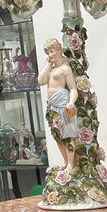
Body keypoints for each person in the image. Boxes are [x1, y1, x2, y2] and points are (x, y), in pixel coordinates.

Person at [38, 39, 78, 169]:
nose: (49, 55)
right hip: (52, 106)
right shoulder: (50, 70)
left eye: (51, 51)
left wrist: (71, 102)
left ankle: (71, 164)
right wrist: (49, 65)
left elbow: (73, 88)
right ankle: (66, 161)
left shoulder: (65, 69)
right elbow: (41, 81)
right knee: (57, 135)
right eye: (47, 53)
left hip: (63, 104)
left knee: (68, 134)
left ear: (59, 51)